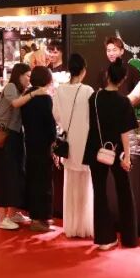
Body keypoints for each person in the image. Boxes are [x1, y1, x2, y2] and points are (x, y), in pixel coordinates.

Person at [85, 61, 139, 250]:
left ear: (107, 75)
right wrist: (127, 156)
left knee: (99, 192)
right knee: (124, 190)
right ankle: (129, 238)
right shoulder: (123, 102)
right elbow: (125, 132)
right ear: (123, 79)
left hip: (95, 149)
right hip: (117, 150)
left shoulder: (94, 98)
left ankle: (104, 238)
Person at [53, 53, 93, 238]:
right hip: (84, 142)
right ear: (83, 70)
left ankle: (71, 227)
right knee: (85, 185)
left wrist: (65, 125)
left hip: (68, 142)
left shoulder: (60, 90)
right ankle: (85, 227)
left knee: (70, 184)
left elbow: (56, 115)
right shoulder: (87, 91)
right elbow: (93, 117)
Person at [0, 63, 32, 230]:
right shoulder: (10, 87)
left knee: (17, 174)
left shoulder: (21, 90)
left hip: (16, 135)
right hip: (8, 135)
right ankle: (2, 217)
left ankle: (13, 213)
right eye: (27, 76)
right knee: (8, 175)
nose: (29, 79)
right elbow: (16, 104)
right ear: (19, 75)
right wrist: (34, 93)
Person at [21, 66, 56, 232]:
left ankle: (37, 217)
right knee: (43, 181)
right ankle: (39, 219)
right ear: (47, 80)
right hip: (42, 144)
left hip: (29, 141)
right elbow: (50, 124)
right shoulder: (45, 98)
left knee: (33, 179)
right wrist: (53, 140)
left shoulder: (27, 95)